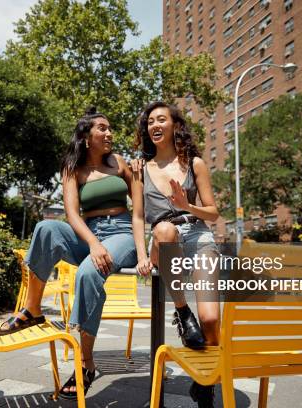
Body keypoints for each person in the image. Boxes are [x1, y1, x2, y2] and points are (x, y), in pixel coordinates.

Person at [0, 107, 137, 400]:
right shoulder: (73, 168)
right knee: (46, 228)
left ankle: (86, 364)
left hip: (122, 234)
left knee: (88, 272)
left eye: (110, 128)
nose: (109, 133)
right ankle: (32, 309)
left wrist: (142, 170)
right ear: (87, 136)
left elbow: (142, 206)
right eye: (102, 128)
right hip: (89, 233)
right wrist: (94, 243)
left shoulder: (121, 163)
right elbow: (72, 215)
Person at [131, 101, 220, 407]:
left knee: (210, 320)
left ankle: (205, 384)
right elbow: (139, 217)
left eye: (161, 120)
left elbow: (213, 212)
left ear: (174, 126)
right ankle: (182, 312)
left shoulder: (194, 164)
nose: (154, 125)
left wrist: (187, 206)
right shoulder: (140, 169)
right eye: (150, 122)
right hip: (162, 240)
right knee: (165, 230)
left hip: (198, 234)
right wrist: (142, 255)